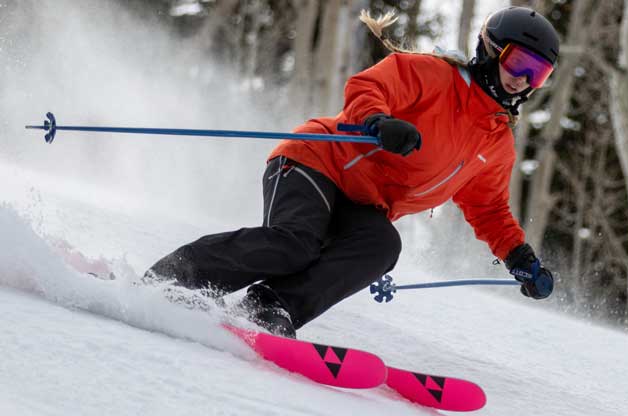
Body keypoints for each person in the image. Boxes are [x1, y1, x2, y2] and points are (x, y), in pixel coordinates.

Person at [144, 6, 559, 338]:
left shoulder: (496, 141)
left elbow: (487, 208)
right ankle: (173, 278)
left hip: (363, 203)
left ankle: (270, 308)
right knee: (295, 244)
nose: (521, 81)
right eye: (517, 62)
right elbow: (368, 87)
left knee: (381, 245)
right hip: (315, 162)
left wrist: (519, 257)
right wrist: (378, 122)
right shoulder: (435, 76)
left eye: (537, 75)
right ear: (489, 49)